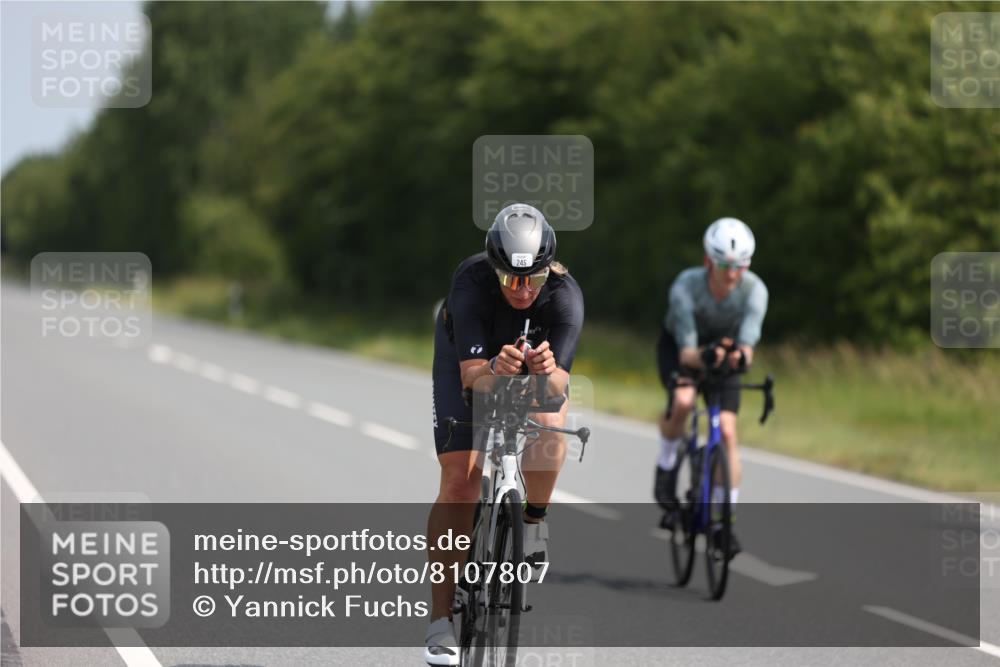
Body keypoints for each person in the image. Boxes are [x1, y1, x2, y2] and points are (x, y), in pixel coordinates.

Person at [424, 203, 584, 666]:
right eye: (510, 278)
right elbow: (472, 377)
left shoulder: (565, 297)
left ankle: (533, 521)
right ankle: (440, 622)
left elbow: (557, 387)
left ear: (548, 270)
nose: (520, 289)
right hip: (468, 362)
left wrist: (544, 372)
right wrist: (496, 366)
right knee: (460, 480)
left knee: (551, 428)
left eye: (531, 278)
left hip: (530, 367)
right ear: (493, 268)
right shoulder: (471, 282)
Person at [654, 217, 768, 558]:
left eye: (740, 266)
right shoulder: (685, 287)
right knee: (685, 401)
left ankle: (724, 521)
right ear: (708, 261)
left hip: (723, 354)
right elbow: (688, 352)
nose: (733, 274)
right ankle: (667, 464)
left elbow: (748, 346)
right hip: (681, 349)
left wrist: (738, 357)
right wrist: (707, 353)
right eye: (724, 265)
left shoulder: (755, 290)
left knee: (728, 432)